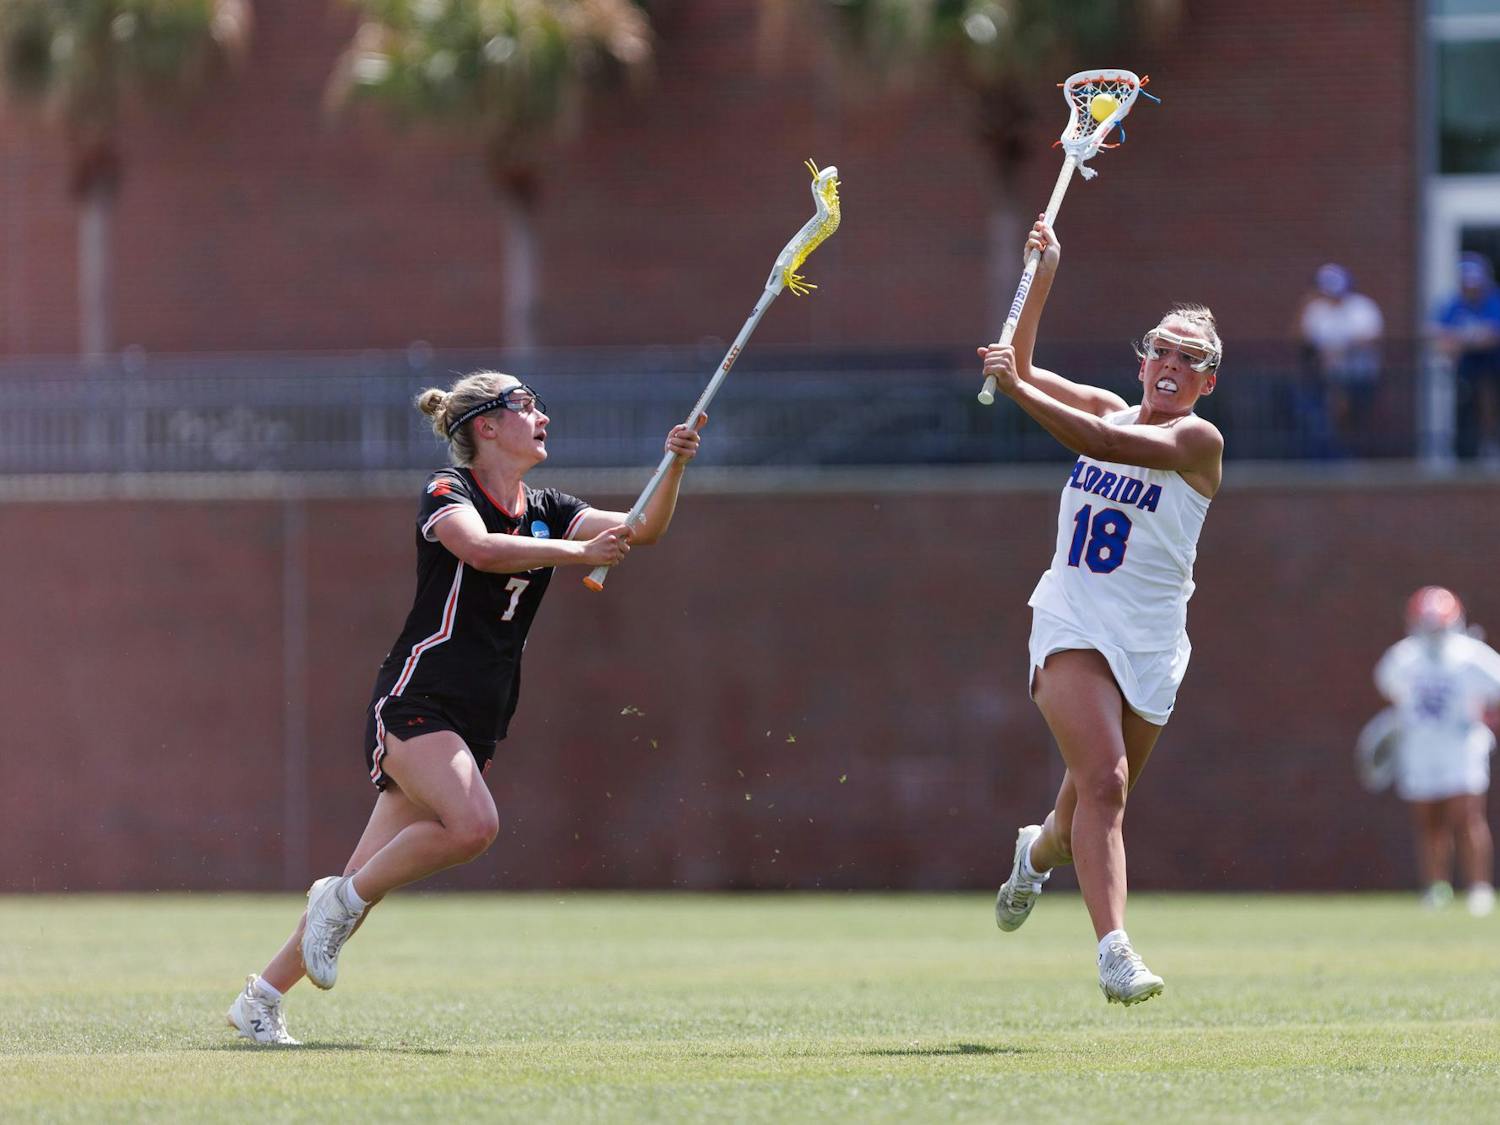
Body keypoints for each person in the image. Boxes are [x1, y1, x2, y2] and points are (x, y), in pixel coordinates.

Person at [227, 371, 703, 1045]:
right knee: (473, 826)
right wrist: (577, 552)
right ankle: (337, 897)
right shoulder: (448, 490)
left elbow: (641, 528)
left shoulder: (550, 507)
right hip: (418, 698)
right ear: (487, 425)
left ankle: (260, 999)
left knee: (362, 886)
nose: (542, 415)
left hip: (480, 718)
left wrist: (674, 464)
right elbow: (479, 549)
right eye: (526, 404)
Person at [979, 216, 1223, 1005]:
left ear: (1207, 381)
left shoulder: (1199, 441)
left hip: (1151, 643)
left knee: (1077, 813)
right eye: (1162, 350)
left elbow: (1101, 444)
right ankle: (1115, 952)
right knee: (1107, 784)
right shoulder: (1108, 407)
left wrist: (1018, 391)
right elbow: (1020, 364)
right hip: (1073, 620)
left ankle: (1032, 856)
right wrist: (1044, 271)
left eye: (1191, 358)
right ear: (1143, 360)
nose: (1172, 364)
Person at [1373, 586, 1500, 916]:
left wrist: (1485, 714)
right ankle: (1436, 888)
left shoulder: (1472, 656)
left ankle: (1479, 889)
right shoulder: (1403, 657)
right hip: (1421, 748)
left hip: (1461, 746)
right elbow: (1391, 689)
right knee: (1429, 821)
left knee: (1467, 816)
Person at [1295, 263, 1384, 456]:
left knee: (1353, 419)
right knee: (1320, 416)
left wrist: (1343, 349)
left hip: (1358, 376)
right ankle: (1331, 455)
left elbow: (1371, 337)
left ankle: (1352, 453)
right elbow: (1304, 339)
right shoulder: (1316, 309)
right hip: (1326, 377)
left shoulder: (1362, 307)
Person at [1432, 253, 1500, 464]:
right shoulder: (1453, 304)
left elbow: (1493, 337)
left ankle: (1490, 444)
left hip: (1492, 365)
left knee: (1489, 399)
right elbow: (1437, 337)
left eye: (1474, 284)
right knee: (1465, 407)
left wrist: (1461, 340)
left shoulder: (1493, 300)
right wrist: (1469, 340)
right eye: (1466, 284)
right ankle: (1466, 451)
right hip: (1465, 368)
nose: (1470, 289)